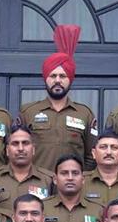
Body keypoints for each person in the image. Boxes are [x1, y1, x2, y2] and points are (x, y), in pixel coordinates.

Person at [20, 24, 97, 171]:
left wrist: (79, 178)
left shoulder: (84, 114)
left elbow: (91, 155)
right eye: (53, 75)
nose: (57, 80)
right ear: (45, 78)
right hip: (37, 185)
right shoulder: (28, 112)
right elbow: (17, 151)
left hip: (72, 185)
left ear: (70, 79)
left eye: (62, 76)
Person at [41, 153, 102, 222]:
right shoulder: (41, 208)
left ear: (83, 179)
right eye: (64, 173)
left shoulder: (98, 210)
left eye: (75, 173)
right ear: (55, 179)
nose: (70, 178)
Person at [0, 123, 54, 205]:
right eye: (15, 143)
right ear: (7, 150)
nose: (20, 148)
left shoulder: (48, 180)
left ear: (33, 149)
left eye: (25, 143)